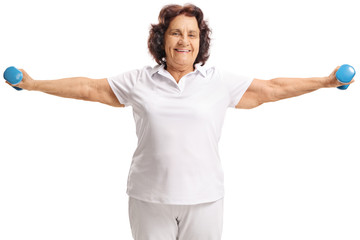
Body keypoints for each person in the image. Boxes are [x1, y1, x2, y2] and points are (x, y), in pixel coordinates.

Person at [6, 3, 354, 240]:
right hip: (148, 199)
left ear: (200, 42)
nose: (184, 41)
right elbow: (89, 87)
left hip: (204, 200)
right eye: (175, 33)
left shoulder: (218, 82)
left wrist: (324, 82)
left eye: (191, 34)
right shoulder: (139, 80)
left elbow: (272, 88)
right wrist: (34, 84)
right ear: (162, 39)